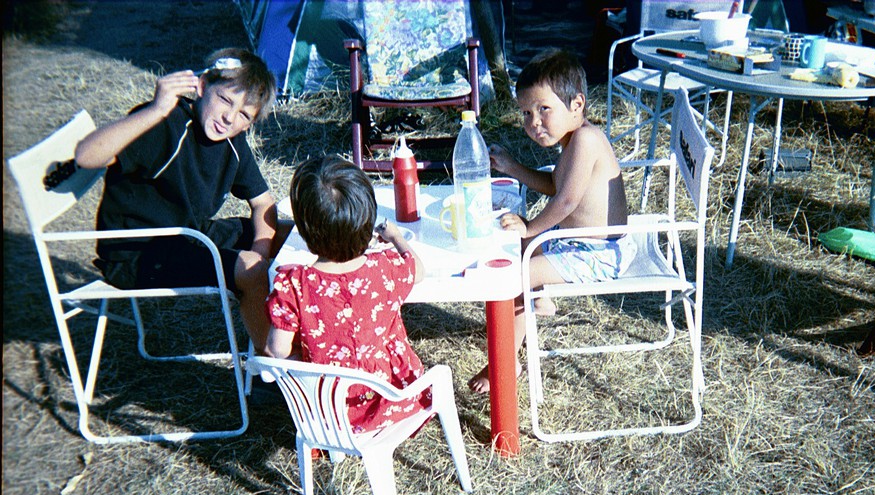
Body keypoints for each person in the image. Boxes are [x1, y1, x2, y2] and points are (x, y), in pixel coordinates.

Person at [75, 47, 285, 352]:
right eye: (225, 100)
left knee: (293, 235)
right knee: (249, 269)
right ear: (202, 86)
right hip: (136, 254)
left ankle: (307, 335)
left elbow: (263, 203)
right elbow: (86, 156)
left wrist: (262, 250)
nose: (229, 117)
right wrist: (156, 109)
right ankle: (271, 362)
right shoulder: (165, 125)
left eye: (243, 114)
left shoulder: (233, 142)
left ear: (249, 124)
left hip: (189, 234)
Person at [468, 48, 633, 393]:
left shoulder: (586, 140)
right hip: (575, 240)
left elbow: (566, 200)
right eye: (526, 113)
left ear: (577, 104)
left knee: (515, 276)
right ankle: (539, 298)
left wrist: (531, 227)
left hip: (599, 252)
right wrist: (513, 167)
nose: (534, 122)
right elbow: (558, 185)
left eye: (544, 109)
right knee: (516, 242)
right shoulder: (573, 139)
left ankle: (505, 362)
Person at [265, 157, 430, 433]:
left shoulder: (294, 284)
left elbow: (276, 349)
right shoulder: (385, 268)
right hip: (394, 399)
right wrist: (396, 237)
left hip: (328, 412)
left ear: (304, 229)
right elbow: (418, 270)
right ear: (366, 219)